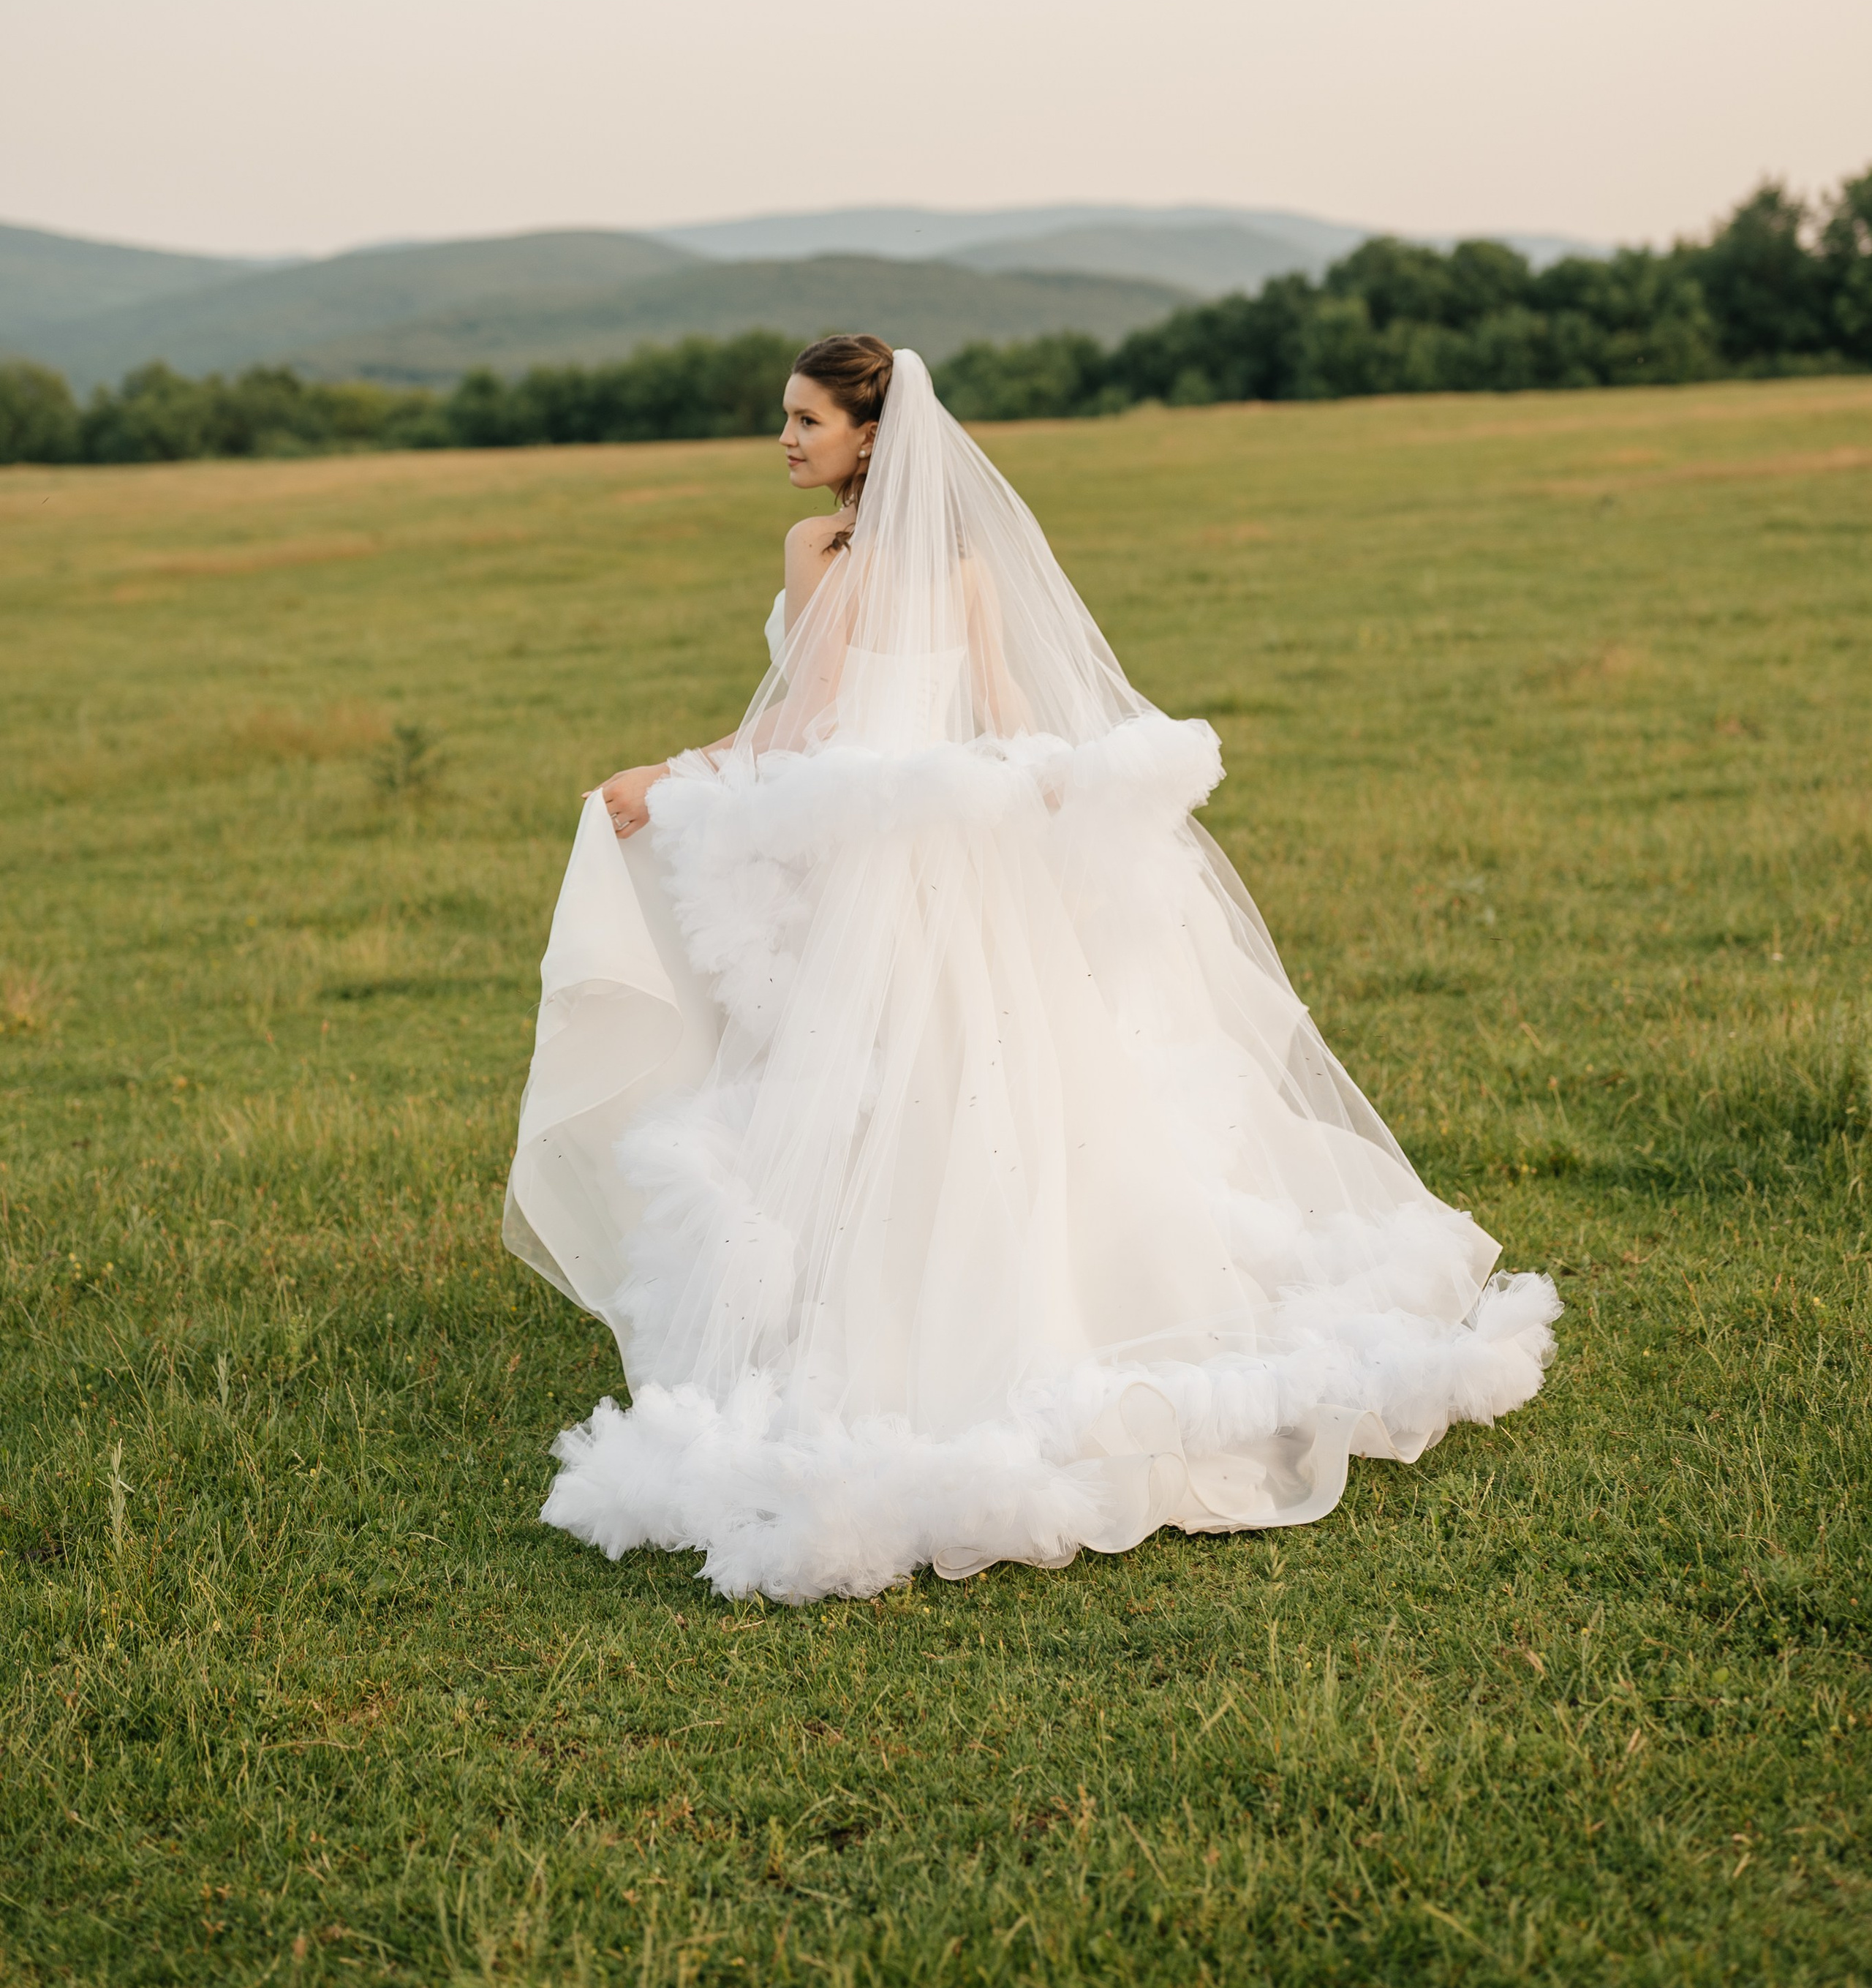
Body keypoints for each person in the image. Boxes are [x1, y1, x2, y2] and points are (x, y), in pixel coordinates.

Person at [505, 334, 1558, 1603]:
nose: (784, 439)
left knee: (867, 1078)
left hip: (874, 857)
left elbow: (812, 720)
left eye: (806, 420)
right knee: (991, 1071)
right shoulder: (964, 566)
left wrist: (670, 775)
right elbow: (1002, 710)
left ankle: (895, 1332)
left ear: (870, 439)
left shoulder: (817, 552)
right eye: (785, 418)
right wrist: (1060, 792)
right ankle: (1027, 1304)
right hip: (962, 851)